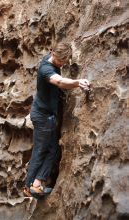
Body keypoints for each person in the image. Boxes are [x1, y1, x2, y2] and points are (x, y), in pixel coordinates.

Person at [24, 42, 90, 198]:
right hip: (42, 116)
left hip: (48, 115)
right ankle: (29, 186)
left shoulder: (52, 57)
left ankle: (36, 184)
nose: (62, 64)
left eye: (64, 61)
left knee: (52, 149)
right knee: (41, 150)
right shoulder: (45, 68)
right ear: (53, 54)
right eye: (61, 61)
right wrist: (77, 82)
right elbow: (59, 81)